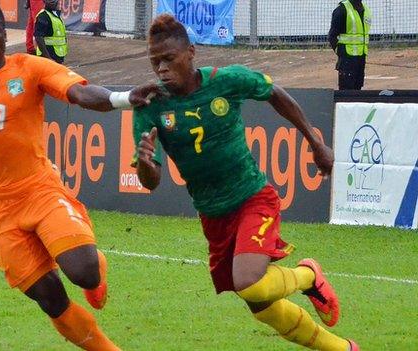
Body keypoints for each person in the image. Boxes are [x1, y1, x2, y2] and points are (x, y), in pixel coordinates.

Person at [0, 2, 159, 350]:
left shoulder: (29, 68)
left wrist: (123, 98)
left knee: (85, 273)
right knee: (51, 299)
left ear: (6, 36)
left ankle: (96, 274)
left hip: (41, 191)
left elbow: (79, 92)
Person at [132, 14, 360, 351]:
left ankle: (309, 275)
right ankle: (345, 349)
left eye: (169, 59)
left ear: (191, 52)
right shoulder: (150, 106)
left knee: (249, 284)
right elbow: (150, 182)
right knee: (262, 308)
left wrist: (315, 142)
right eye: (155, 62)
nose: (161, 69)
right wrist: (147, 163)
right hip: (213, 216)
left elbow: (275, 93)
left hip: (253, 198)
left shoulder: (226, 81)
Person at [328, 0, 371, 90]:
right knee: (346, 90)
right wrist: (341, 53)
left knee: (358, 88)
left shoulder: (366, 10)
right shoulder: (342, 10)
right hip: (347, 60)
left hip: (361, 58)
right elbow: (332, 36)